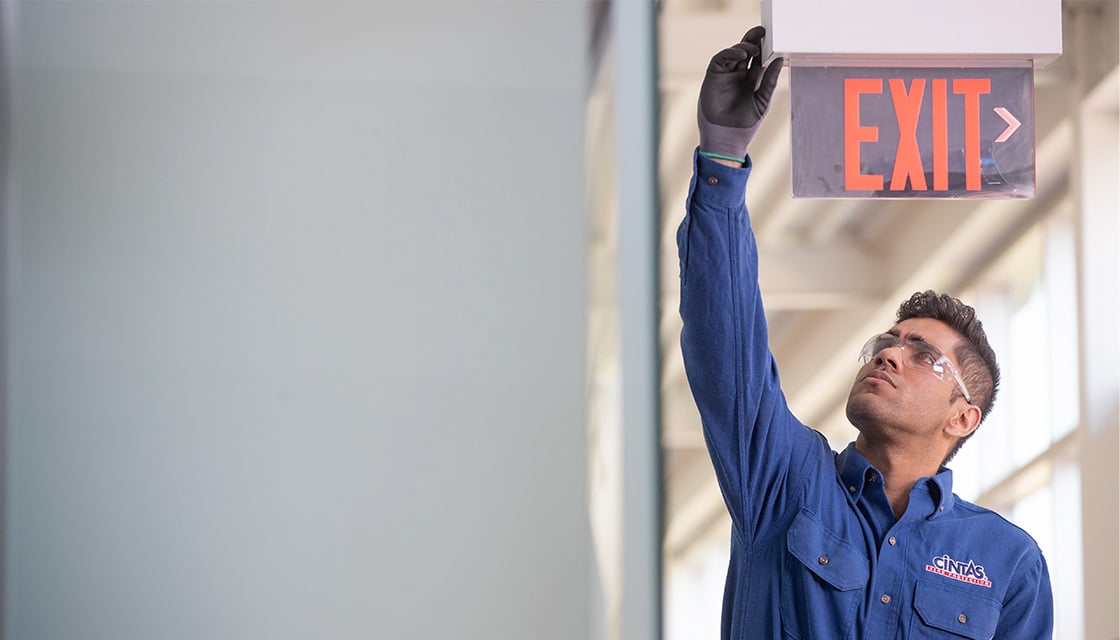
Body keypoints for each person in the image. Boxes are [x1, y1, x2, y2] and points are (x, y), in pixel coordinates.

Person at [677, 26, 1054, 639]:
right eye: (887, 342)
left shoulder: (1008, 565)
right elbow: (727, 349)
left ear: (964, 418)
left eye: (922, 354)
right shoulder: (785, 483)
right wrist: (721, 157)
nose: (889, 356)